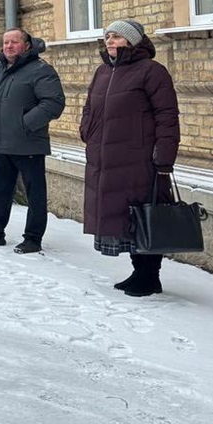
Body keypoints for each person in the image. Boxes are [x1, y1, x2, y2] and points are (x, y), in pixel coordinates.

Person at [80, 20, 180, 297]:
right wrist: (87, 131)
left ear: (132, 41)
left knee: (145, 216)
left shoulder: (152, 71)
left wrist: (164, 156)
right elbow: (89, 107)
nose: (110, 41)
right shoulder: (103, 71)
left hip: (140, 160)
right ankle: (138, 272)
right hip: (107, 159)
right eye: (107, 37)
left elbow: (167, 116)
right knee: (125, 219)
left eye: (116, 37)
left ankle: (150, 276)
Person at [0, 28, 66, 254]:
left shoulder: (40, 69)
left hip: (28, 143)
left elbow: (53, 103)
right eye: (6, 42)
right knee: (0, 190)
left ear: (27, 45)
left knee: (35, 194)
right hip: (1, 142)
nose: (9, 46)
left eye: (14, 42)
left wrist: (25, 124)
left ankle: (33, 238)